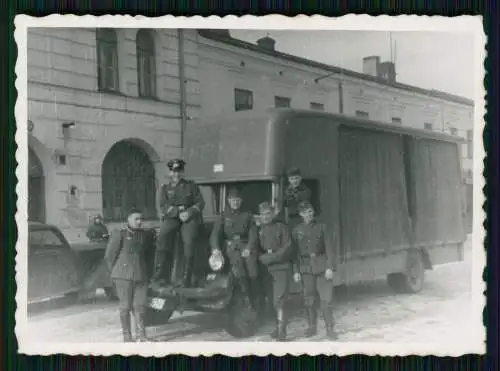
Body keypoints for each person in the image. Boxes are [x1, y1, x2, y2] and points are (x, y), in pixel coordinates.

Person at [152, 158, 205, 287]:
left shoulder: (191, 186)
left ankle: (187, 277)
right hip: (173, 218)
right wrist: (177, 212)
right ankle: (161, 274)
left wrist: (189, 213)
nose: (177, 174)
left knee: (189, 240)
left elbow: (200, 203)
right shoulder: (165, 188)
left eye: (179, 171)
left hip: (189, 218)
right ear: (170, 173)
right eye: (174, 171)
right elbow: (163, 205)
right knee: (163, 236)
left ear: (183, 172)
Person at [105, 208, 155, 342]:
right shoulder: (119, 234)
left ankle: (142, 335)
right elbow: (110, 256)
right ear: (128, 220)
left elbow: (149, 256)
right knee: (125, 306)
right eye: (136, 219)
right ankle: (127, 336)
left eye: (141, 219)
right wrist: (117, 273)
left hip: (141, 275)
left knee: (140, 305)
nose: (139, 222)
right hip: (123, 276)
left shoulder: (145, 235)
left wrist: (147, 273)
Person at [209, 187, 261, 313]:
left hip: (245, 245)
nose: (235, 202)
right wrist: (215, 248)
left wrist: (248, 248)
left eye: (237, 200)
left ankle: (256, 301)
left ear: (241, 201)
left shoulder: (248, 215)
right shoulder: (223, 216)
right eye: (233, 200)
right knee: (238, 272)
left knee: (253, 272)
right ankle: (244, 299)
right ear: (228, 200)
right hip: (231, 247)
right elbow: (215, 234)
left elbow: (253, 234)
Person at [292, 201, 338, 340]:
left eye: (310, 211)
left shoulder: (322, 227)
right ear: (301, 214)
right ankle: (312, 327)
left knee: (326, 300)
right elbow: (295, 253)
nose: (309, 214)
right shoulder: (296, 230)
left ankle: (330, 328)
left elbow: (330, 248)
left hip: (322, 266)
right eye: (305, 212)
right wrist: (296, 271)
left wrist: (330, 267)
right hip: (306, 268)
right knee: (309, 300)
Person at [257, 201, 294, 341]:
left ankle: (282, 331)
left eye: (268, 214)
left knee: (280, 300)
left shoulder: (281, 227)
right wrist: (262, 258)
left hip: (281, 268)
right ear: (260, 216)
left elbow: (288, 247)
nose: (265, 217)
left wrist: (272, 257)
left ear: (273, 214)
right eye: (263, 214)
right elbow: (257, 248)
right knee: (272, 300)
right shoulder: (259, 229)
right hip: (266, 270)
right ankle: (276, 327)